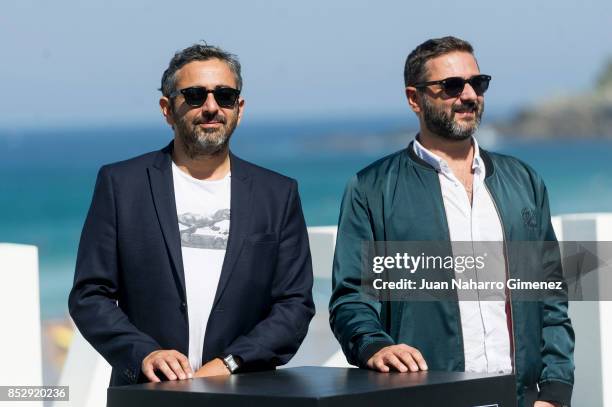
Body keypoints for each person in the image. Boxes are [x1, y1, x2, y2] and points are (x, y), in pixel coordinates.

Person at [329, 36, 574, 407]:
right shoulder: (371, 189)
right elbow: (351, 298)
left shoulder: (523, 181)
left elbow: (549, 295)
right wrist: (372, 345)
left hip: (520, 400)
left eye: (478, 83)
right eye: (452, 86)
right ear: (415, 99)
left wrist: (555, 391)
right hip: (425, 396)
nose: (469, 95)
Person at [69, 43, 315, 386]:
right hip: (150, 393)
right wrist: (144, 354)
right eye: (195, 95)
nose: (211, 107)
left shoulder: (278, 193)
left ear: (239, 108)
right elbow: (89, 295)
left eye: (225, 96)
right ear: (167, 109)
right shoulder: (121, 185)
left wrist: (230, 363)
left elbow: (294, 305)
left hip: (246, 391)